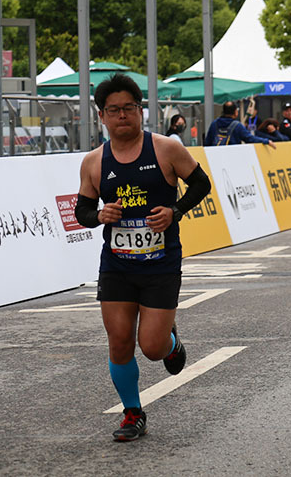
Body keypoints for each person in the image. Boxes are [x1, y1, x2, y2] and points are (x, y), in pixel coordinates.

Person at [75, 73, 212, 442]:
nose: (123, 116)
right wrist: (99, 216)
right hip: (117, 265)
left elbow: (201, 184)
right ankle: (133, 412)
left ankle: (170, 342)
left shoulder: (166, 148)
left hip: (160, 264)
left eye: (130, 108)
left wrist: (175, 211)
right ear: (101, 116)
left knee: (151, 348)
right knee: (119, 341)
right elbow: (83, 211)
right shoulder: (93, 162)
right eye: (114, 110)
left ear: (141, 111)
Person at [204, 102, 276, 148]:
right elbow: (250, 139)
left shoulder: (214, 124)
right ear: (235, 112)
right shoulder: (237, 126)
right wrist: (266, 141)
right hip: (233, 157)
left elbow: (207, 143)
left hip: (214, 158)